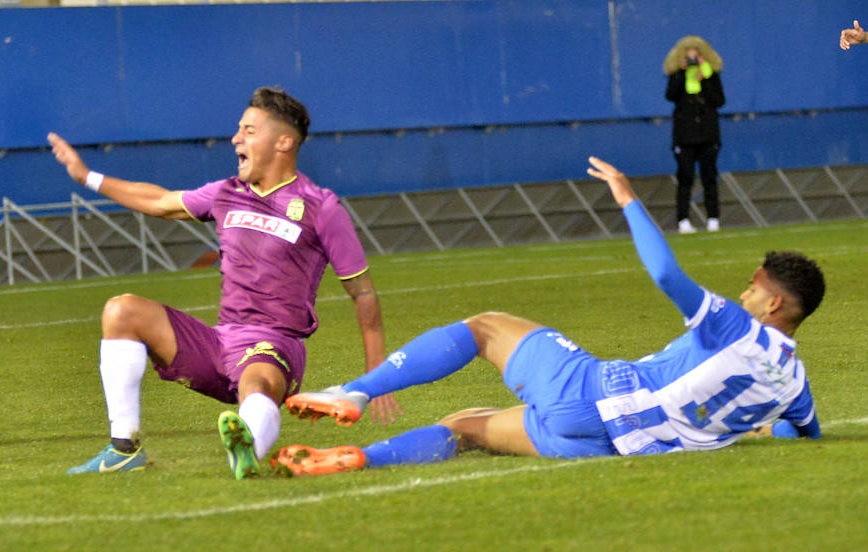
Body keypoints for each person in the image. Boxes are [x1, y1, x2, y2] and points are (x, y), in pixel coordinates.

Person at [274, 156, 824, 477]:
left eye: (752, 289)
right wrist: (762, 425)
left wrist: (628, 197)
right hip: (605, 447)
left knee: (485, 327)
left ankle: (355, 392)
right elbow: (803, 433)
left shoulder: (735, 325)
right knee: (463, 426)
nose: (743, 294)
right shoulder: (795, 386)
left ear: (773, 303)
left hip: (593, 392)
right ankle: (357, 457)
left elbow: (666, 276)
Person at [49, 86, 400, 479]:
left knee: (257, 383)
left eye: (249, 130)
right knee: (121, 310)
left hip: (276, 346)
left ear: (283, 141)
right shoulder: (227, 193)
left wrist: (376, 379)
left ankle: (246, 445)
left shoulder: (321, 207)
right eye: (239, 130)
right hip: (218, 343)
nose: (236, 138)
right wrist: (86, 176)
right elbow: (160, 202)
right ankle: (124, 449)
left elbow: (363, 293)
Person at [663, 36, 726, 234]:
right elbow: (671, 95)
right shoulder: (677, 75)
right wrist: (682, 73)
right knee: (685, 178)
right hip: (685, 136)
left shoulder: (711, 76)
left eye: (696, 56)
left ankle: (713, 218)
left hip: (708, 134)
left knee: (709, 177)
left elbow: (719, 100)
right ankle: (683, 220)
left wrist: (705, 78)